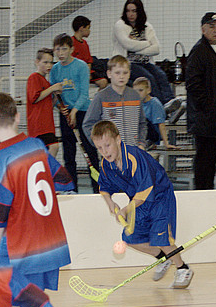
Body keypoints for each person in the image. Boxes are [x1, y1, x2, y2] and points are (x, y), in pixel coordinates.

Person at [0, 93, 76, 307]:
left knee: (12, 295)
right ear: (18, 117)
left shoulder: (1, 162)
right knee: (30, 295)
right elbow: (65, 181)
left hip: (20, 245)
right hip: (50, 241)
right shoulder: (36, 145)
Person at [93, 119, 192, 288]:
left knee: (161, 238)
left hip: (159, 196)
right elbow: (105, 186)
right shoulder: (106, 164)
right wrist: (110, 202)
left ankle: (183, 268)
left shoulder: (133, 157)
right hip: (138, 201)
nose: (104, 151)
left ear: (118, 140)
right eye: (100, 148)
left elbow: (146, 190)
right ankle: (162, 258)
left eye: (107, 145)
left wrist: (125, 209)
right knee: (130, 238)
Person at [185, 11, 216, 190]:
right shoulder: (199, 51)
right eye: (211, 27)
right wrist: (207, 107)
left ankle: (208, 190)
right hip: (206, 118)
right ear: (203, 29)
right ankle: (202, 192)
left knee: (212, 156)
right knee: (205, 158)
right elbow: (193, 84)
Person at [48, 33, 95, 192]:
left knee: (90, 152)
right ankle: (72, 189)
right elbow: (54, 95)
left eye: (64, 49)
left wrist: (74, 111)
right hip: (65, 114)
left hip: (83, 113)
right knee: (69, 155)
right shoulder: (55, 70)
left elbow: (84, 93)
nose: (60, 53)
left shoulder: (81, 66)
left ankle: (98, 188)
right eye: (57, 49)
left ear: (71, 49)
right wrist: (59, 107)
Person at [111, 0, 175, 105]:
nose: (130, 14)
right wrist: (146, 43)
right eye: (128, 11)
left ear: (139, 12)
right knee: (148, 78)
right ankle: (160, 106)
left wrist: (136, 49)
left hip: (145, 62)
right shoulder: (120, 25)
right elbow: (128, 45)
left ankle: (171, 103)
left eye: (134, 11)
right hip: (128, 64)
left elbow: (156, 49)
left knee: (161, 75)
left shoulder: (147, 26)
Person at [82, 54, 147, 150]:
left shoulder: (135, 96)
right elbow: (88, 124)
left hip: (133, 151)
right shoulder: (101, 97)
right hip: (110, 153)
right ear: (109, 74)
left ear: (129, 73)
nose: (121, 76)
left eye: (125, 73)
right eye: (117, 73)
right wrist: (100, 145)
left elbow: (142, 123)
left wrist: (141, 143)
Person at [26, 48, 63, 158]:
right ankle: (48, 172)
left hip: (47, 123)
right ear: (37, 62)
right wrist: (52, 88)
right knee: (54, 146)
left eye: (51, 62)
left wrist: (55, 96)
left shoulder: (45, 82)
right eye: (45, 62)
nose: (49, 66)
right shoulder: (34, 78)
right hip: (39, 125)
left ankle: (45, 172)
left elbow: (48, 105)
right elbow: (35, 98)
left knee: (46, 150)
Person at [71, 15, 108, 89]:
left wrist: (87, 73)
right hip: (75, 73)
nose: (89, 31)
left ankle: (97, 99)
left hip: (86, 72)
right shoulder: (71, 42)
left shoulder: (85, 43)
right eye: (88, 28)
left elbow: (89, 61)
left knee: (103, 82)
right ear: (81, 28)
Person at [132, 77, 169, 149]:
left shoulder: (154, 103)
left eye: (140, 90)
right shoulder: (137, 102)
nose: (138, 94)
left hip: (152, 134)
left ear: (148, 90)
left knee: (143, 120)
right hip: (140, 133)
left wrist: (166, 143)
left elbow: (161, 125)